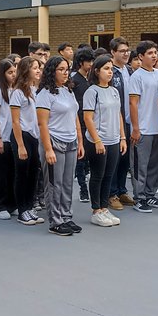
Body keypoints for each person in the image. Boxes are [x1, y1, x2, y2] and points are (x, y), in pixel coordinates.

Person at [36, 56, 84, 236]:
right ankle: (55, 221)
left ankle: (66, 216)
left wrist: (80, 141)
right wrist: (48, 149)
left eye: (67, 69)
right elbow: (42, 124)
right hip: (54, 142)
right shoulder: (45, 94)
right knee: (54, 184)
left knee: (67, 183)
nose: (66, 73)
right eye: (61, 69)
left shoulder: (68, 91)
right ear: (52, 71)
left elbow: (75, 117)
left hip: (71, 141)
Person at [83, 54, 126, 228]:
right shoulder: (91, 91)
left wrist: (122, 137)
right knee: (97, 175)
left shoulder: (114, 91)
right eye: (106, 69)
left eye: (111, 69)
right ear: (97, 71)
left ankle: (104, 207)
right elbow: (88, 118)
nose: (110, 72)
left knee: (109, 175)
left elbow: (119, 115)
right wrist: (97, 140)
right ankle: (96, 210)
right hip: (97, 141)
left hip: (114, 139)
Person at [129, 40, 158, 212]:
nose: (154, 56)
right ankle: (139, 197)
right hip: (142, 128)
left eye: (155, 52)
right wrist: (136, 128)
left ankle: (150, 194)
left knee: (154, 164)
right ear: (141, 57)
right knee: (139, 166)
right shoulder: (136, 76)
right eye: (150, 53)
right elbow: (133, 104)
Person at [9, 55, 43, 225]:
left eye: (39, 67)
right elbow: (15, 121)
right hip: (21, 136)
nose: (38, 71)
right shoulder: (17, 92)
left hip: (34, 136)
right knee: (22, 174)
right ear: (26, 70)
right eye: (35, 67)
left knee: (33, 174)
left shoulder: (35, 90)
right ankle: (22, 209)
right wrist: (21, 145)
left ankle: (30, 207)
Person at [107, 37, 134, 211]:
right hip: (115, 121)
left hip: (129, 121)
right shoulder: (110, 72)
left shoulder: (130, 70)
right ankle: (112, 193)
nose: (126, 54)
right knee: (115, 159)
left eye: (127, 51)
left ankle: (122, 189)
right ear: (113, 52)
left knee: (125, 159)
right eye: (122, 51)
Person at [0, 58, 18, 221]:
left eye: (15, 71)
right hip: (1, 138)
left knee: (12, 173)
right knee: (0, 174)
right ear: (2, 74)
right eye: (9, 72)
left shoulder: (17, 90)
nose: (13, 75)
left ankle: (11, 203)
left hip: (13, 138)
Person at [70, 47, 94, 202]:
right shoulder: (74, 81)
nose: (91, 64)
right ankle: (83, 189)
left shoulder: (90, 80)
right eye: (89, 61)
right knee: (81, 158)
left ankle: (89, 187)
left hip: (91, 121)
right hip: (79, 122)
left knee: (89, 158)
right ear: (80, 62)